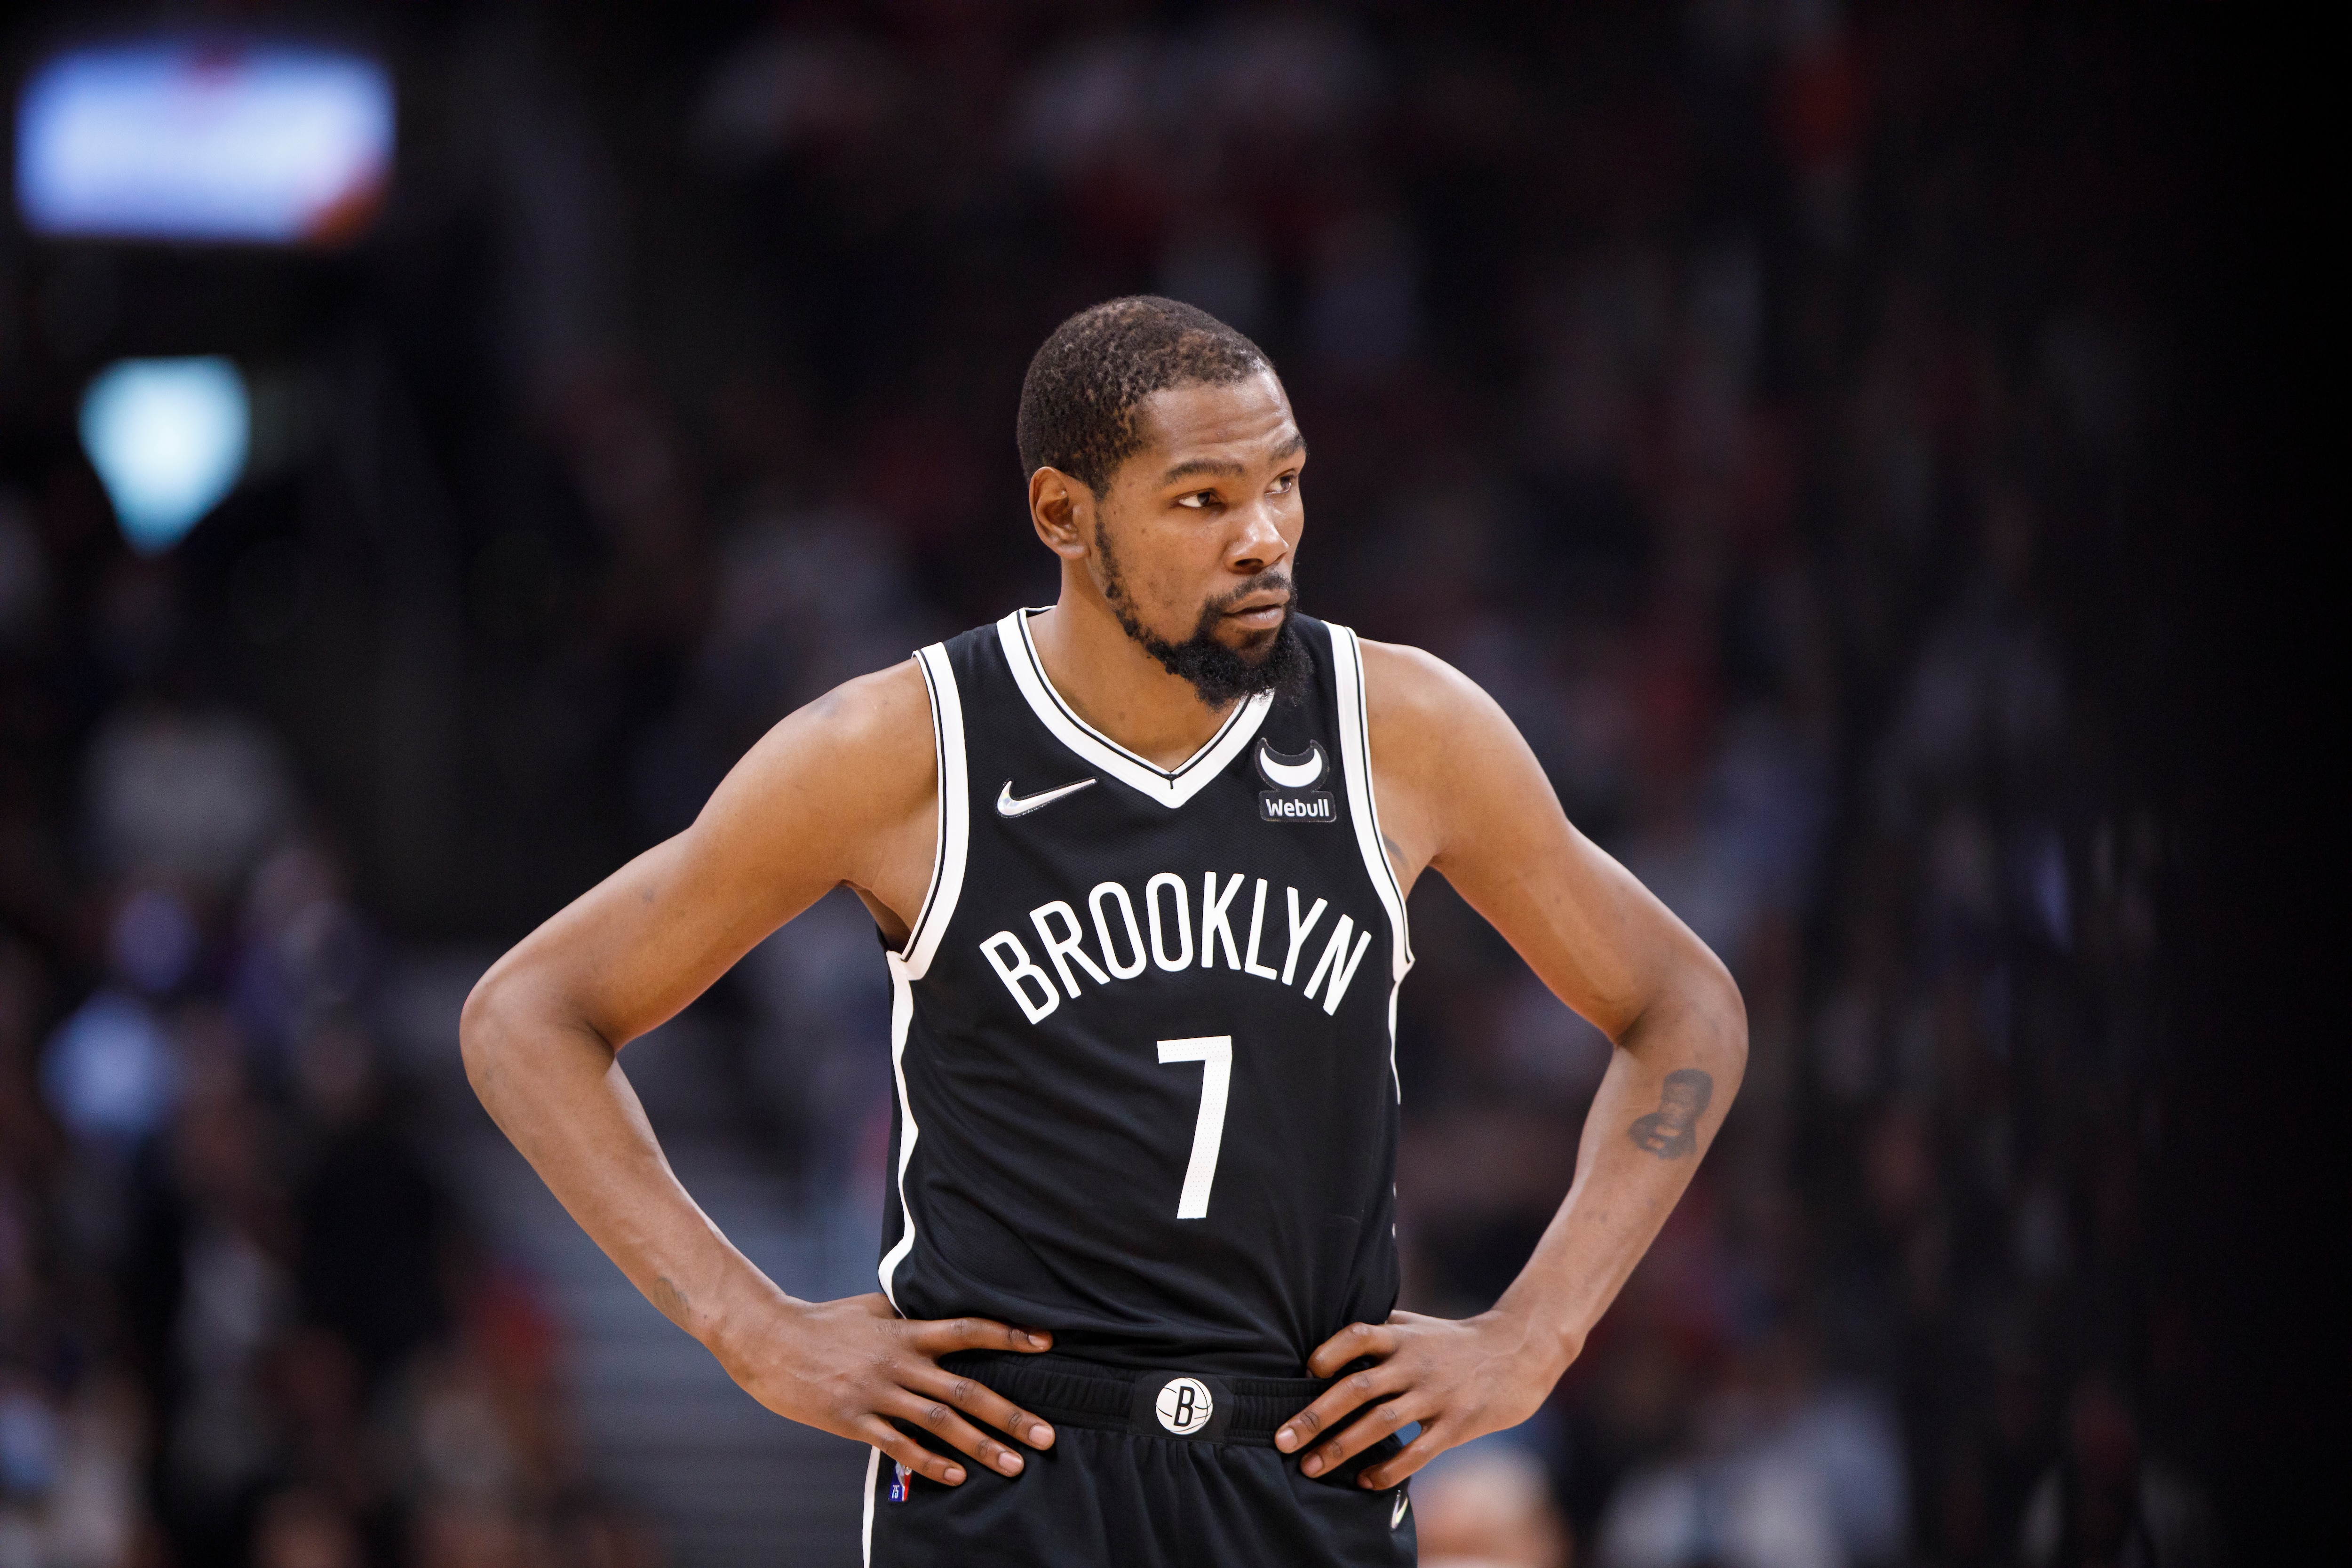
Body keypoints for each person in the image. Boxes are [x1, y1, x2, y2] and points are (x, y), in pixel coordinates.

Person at [461, 297, 1747, 1566]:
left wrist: (1538, 1336)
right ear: (1064, 516)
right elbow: (529, 1016)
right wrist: (747, 1325)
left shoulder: (1401, 731)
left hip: (1302, 1465)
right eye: (1204, 500)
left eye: (1286, 485)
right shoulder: (903, 749)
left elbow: (1683, 1003)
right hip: (1012, 1470)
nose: (1264, 538)